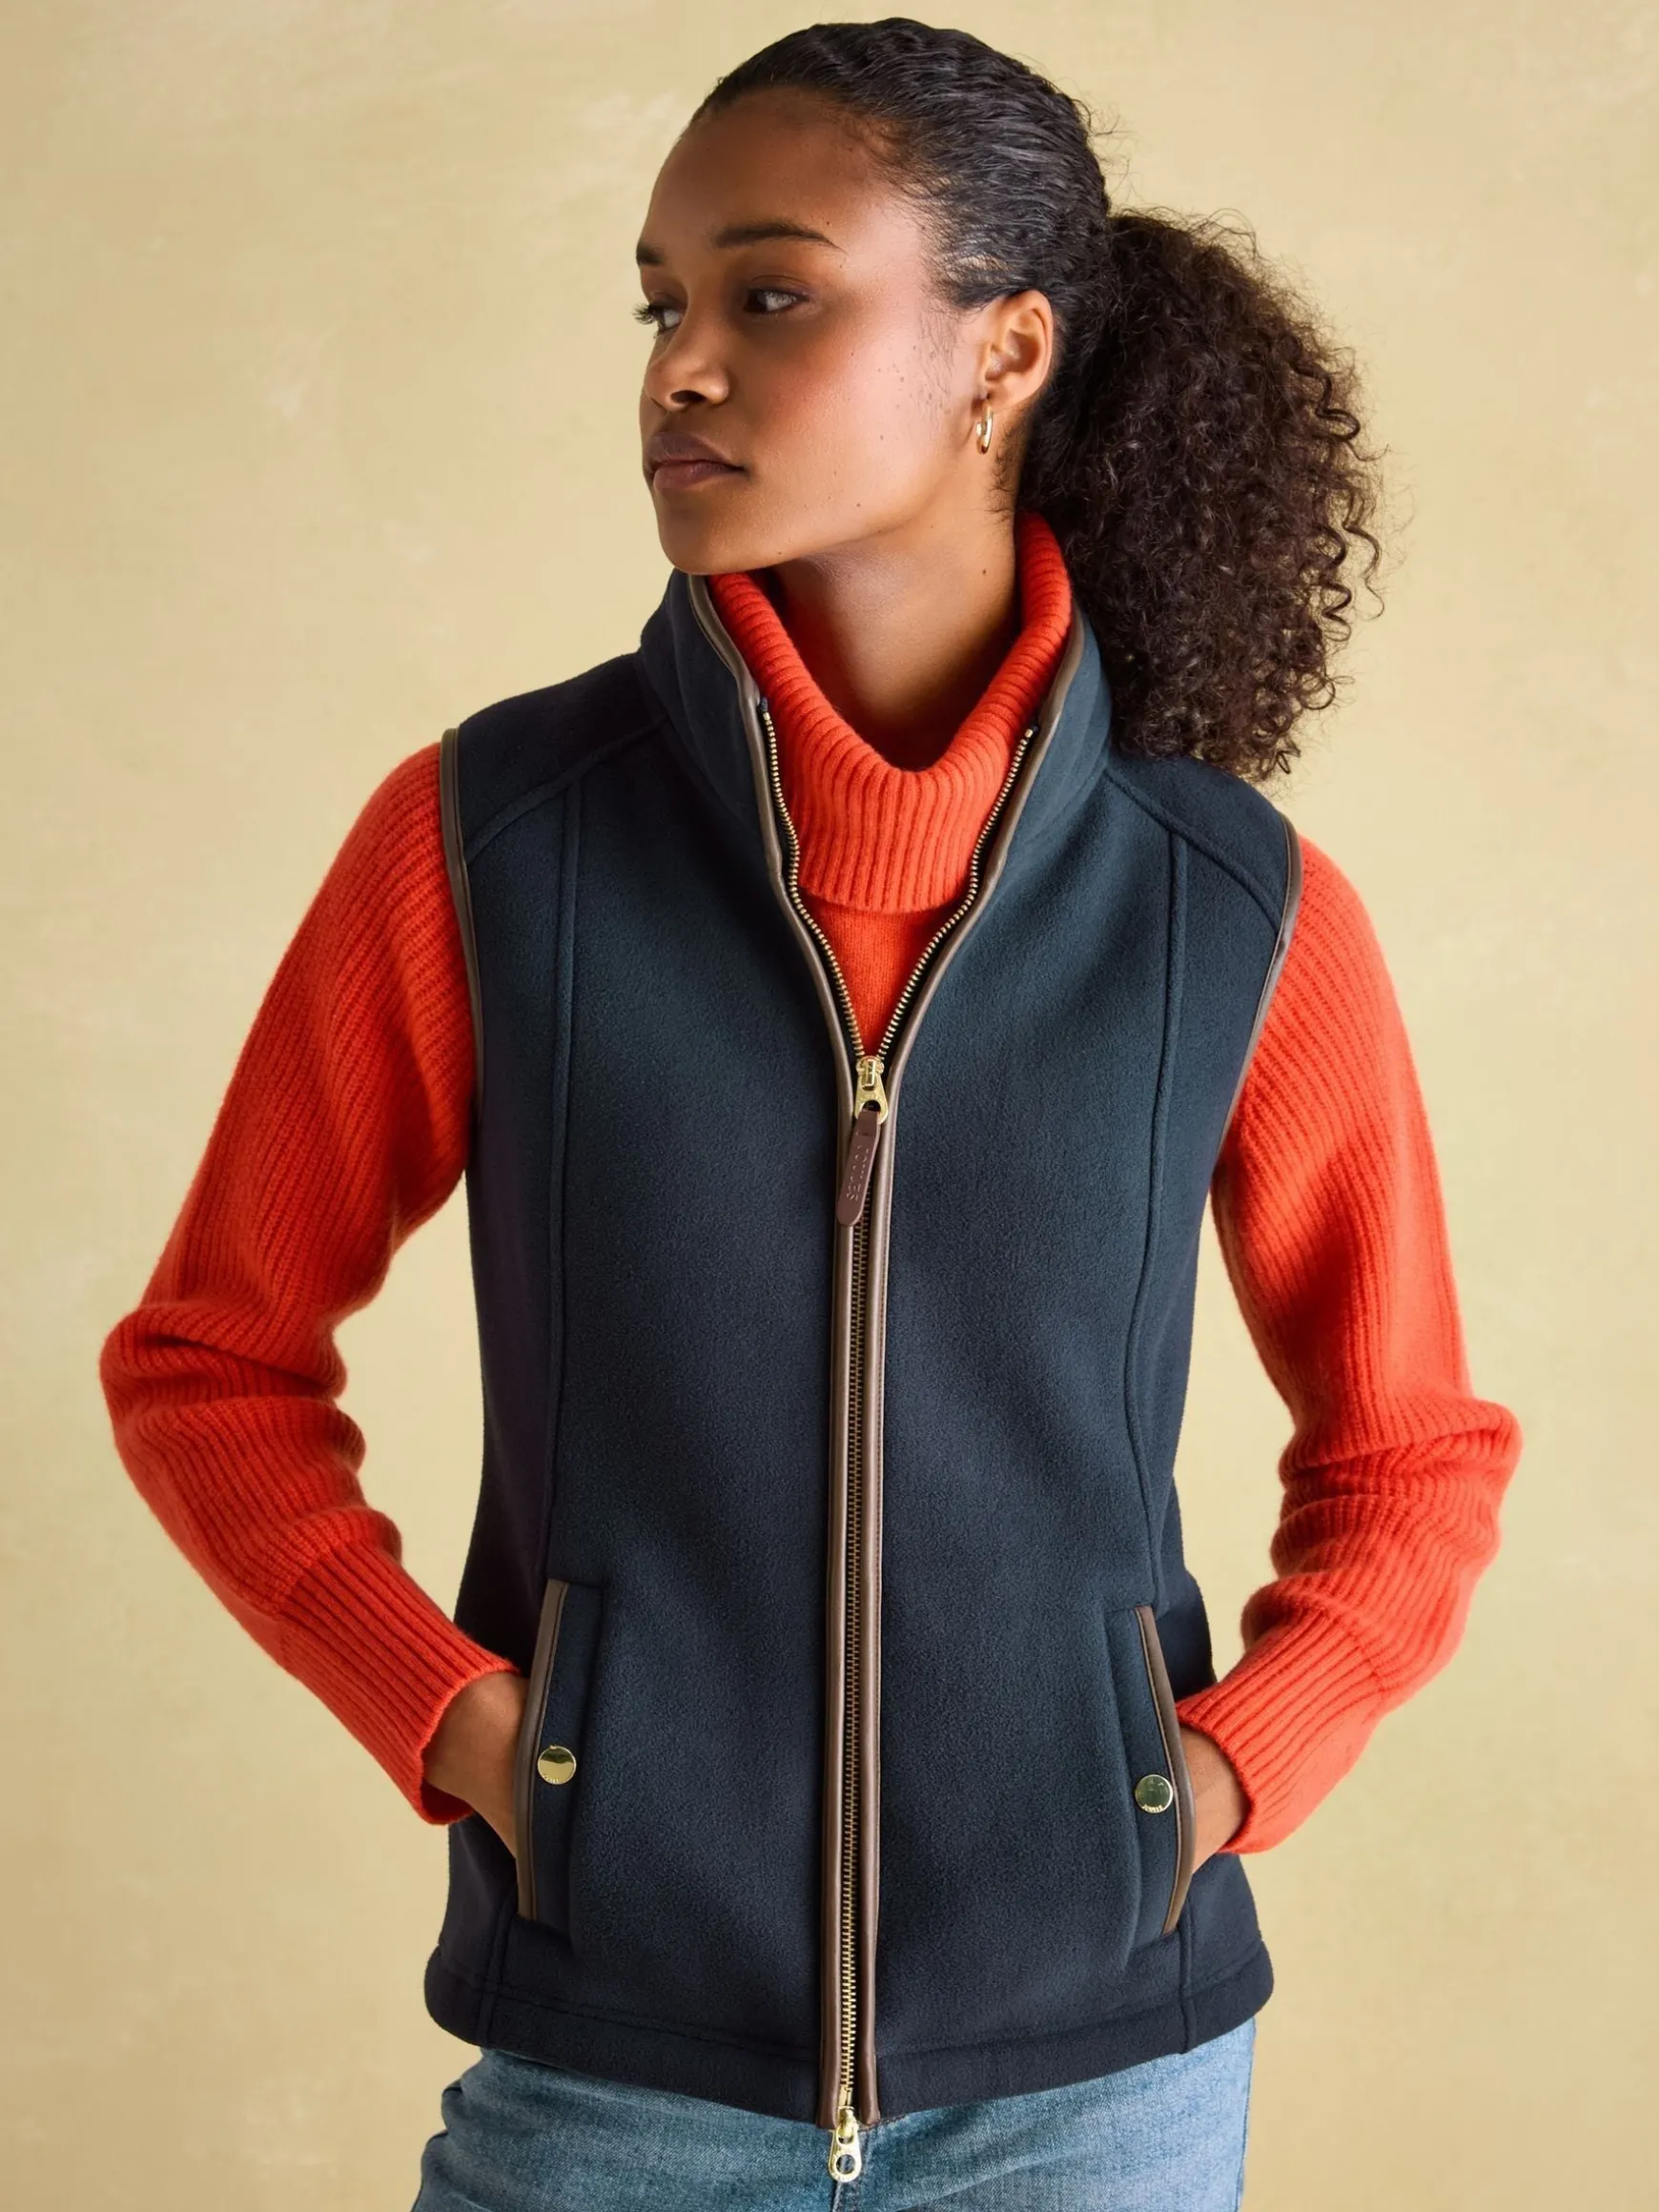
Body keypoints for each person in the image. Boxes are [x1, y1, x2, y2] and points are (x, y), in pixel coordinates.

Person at [97, 18, 1524, 2210]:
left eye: (770, 293)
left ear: (1004, 353)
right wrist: (470, 1725)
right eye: (660, 301)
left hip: (1098, 2089)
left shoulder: (1226, 908)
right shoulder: (494, 841)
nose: (680, 364)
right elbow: (208, 1360)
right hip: (621, 2068)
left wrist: (1218, 1778)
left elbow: (1413, 1456)